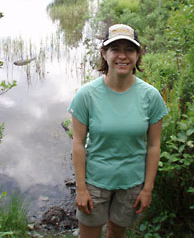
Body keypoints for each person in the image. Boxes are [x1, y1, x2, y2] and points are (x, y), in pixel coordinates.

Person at [67, 24, 168, 238]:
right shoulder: (86, 95)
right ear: (104, 53)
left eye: (129, 50)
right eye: (115, 49)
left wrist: (147, 189)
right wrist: (81, 188)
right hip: (95, 182)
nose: (122, 56)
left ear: (138, 54)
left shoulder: (151, 97)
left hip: (132, 184)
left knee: (117, 233)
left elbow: (154, 145)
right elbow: (77, 143)